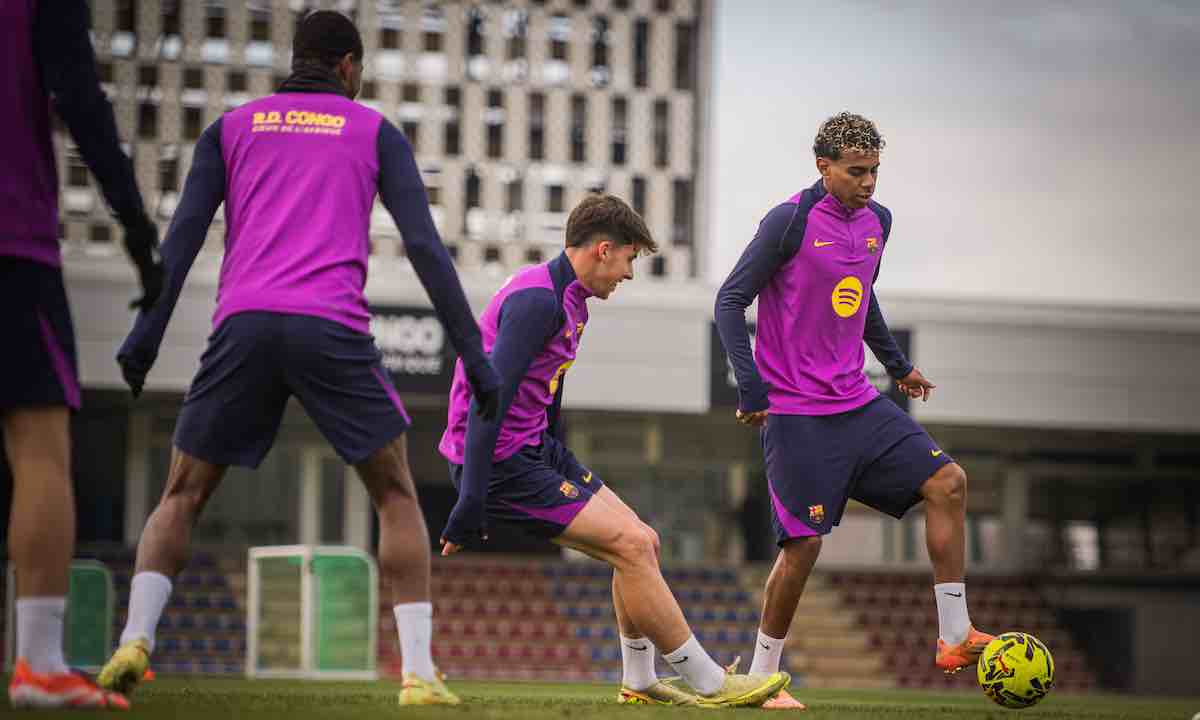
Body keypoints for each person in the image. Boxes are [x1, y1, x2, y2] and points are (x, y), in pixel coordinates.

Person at [95, 11, 500, 707]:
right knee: (397, 493)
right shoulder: (374, 131)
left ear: (298, 58)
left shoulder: (232, 128)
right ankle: (417, 675)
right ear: (349, 65)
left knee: (182, 493)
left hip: (244, 323)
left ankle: (135, 637)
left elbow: (184, 236)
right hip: (330, 327)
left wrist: (146, 337)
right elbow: (426, 250)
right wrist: (475, 357)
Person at [438, 193, 790, 708]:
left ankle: (640, 680)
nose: (627, 274)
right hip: (496, 462)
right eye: (628, 259)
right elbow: (490, 399)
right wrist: (469, 498)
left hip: (533, 448)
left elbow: (545, 385)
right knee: (628, 545)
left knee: (643, 540)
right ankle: (711, 682)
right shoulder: (537, 300)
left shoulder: (570, 297)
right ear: (604, 249)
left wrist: (554, 449)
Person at [714, 112, 993, 710]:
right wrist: (751, 387)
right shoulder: (787, 221)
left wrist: (898, 367)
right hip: (796, 415)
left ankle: (953, 635)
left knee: (948, 482)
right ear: (824, 167)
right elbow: (730, 299)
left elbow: (861, 299)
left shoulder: (878, 223)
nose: (868, 183)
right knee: (804, 547)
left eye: (875, 171)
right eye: (856, 171)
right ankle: (763, 678)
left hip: (858, 403)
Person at [3, 0, 163, 709]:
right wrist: (135, 227)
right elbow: (80, 98)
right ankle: (38, 663)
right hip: (10, 241)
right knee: (38, 444)